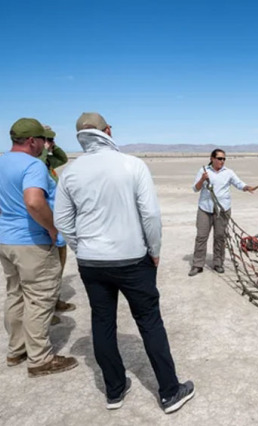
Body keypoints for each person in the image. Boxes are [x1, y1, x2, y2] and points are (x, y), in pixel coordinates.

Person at [54, 112, 194, 413]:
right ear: (108, 130)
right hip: (133, 260)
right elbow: (151, 215)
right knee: (150, 322)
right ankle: (170, 392)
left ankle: (114, 391)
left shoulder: (71, 172)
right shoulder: (132, 165)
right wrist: (154, 250)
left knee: (102, 324)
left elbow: (62, 219)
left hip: (92, 263)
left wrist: (84, 249)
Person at [0, 118, 78, 377]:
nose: (44, 145)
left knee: (15, 294)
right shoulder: (32, 165)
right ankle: (40, 359)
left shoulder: (1, 161)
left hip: (6, 241)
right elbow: (34, 202)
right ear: (32, 141)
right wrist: (52, 227)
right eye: (42, 140)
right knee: (39, 298)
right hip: (31, 241)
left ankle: (16, 350)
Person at [188, 149, 258, 276]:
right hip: (205, 209)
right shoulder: (204, 171)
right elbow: (195, 188)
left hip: (223, 210)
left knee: (220, 237)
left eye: (224, 159)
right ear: (212, 158)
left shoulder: (228, 172)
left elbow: (238, 183)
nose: (222, 161)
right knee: (201, 237)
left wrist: (247, 188)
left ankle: (218, 263)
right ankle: (197, 265)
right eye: (219, 158)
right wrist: (202, 179)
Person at [39, 125, 75, 318]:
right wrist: (44, 149)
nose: (51, 143)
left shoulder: (47, 163)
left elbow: (62, 158)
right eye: (48, 140)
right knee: (46, 273)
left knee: (58, 268)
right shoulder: (36, 164)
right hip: (46, 227)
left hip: (57, 225)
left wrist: (52, 146)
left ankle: (55, 301)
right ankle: (45, 312)